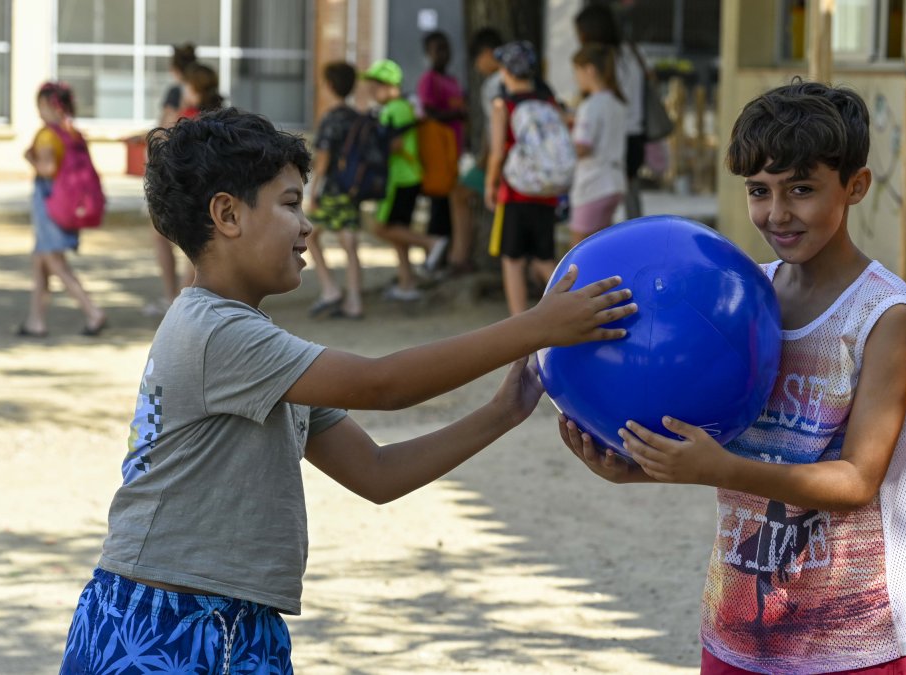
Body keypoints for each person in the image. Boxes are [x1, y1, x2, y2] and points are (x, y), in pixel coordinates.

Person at [58, 107, 637, 673]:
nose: (307, 226)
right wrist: (534, 326)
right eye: (289, 205)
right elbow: (383, 384)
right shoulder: (215, 333)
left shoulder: (262, 351)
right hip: (165, 623)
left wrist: (502, 411)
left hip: (239, 622)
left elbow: (377, 474)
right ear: (227, 215)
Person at [560, 82, 906, 674]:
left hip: (852, 633)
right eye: (760, 191)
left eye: (802, 190)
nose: (777, 214)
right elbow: (732, 447)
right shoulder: (735, 295)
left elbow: (859, 478)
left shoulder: (884, 314)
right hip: (738, 624)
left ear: (855, 186)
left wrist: (720, 469)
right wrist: (642, 469)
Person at [18, 82, 106, 338]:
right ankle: (36, 320)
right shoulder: (74, 133)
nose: (39, 113)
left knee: (53, 261)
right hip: (69, 203)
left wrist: (29, 157)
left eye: (41, 107)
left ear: (49, 106)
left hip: (49, 201)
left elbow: (46, 169)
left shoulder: (47, 135)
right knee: (40, 262)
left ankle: (92, 311)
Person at [485, 41, 563, 316]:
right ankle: (574, 301)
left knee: (513, 260)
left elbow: (496, 153)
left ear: (506, 71)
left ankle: (518, 322)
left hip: (516, 193)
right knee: (545, 260)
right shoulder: (549, 102)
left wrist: (490, 185)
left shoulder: (502, 105)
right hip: (547, 191)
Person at [363, 59, 448, 302]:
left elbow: (396, 144)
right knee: (399, 232)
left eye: (376, 85)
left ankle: (432, 243)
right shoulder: (404, 107)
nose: (371, 90)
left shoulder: (394, 109)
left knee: (380, 227)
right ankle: (406, 283)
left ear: (391, 86)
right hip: (408, 177)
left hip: (398, 179)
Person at [304, 61, 367, 321]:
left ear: (330, 85)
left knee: (309, 235)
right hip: (353, 188)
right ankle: (355, 299)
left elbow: (323, 160)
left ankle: (330, 289)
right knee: (350, 242)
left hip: (332, 189)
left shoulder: (331, 119)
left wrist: (313, 189)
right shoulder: (358, 118)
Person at [575, 4, 646, 219]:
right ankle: (638, 242)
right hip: (636, 135)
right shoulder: (632, 54)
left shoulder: (605, 61)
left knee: (599, 206)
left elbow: (603, 103)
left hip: (611, 137)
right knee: (628, 200)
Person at [144, 43, 199, 317]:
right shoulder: (207, 90)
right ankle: (186, 292)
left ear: (174, 68)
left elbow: (163, 129)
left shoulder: (178, 93)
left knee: (163, 233)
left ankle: (174, 295)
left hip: (177, 173)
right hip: (201, 171)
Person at [417, 30, 475, 275]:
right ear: (428, 53)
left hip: (455, 153)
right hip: (437, 154)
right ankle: (433, 259)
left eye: (446, 47)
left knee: (451, 206)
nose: (443, 53)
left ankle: (450, 255)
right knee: (439, 206)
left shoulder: (452, 81)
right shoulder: (429, 79)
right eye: (437, 48)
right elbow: (429, 112)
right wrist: (458, 115)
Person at [569, 43, 628, 248]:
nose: (576, 79)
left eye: (577, 72)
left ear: (589, 70)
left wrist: (560, 151)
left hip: (592, 184)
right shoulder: (617, 104)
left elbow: (583, 146)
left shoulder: (591, 105)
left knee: (577, 256)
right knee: (602, 250)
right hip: (614, 183)